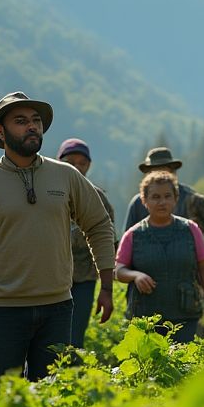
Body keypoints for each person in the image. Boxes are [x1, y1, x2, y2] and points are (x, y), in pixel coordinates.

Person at [0, 92, 117, 381]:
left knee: (50, 401)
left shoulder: (67, 175)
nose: (32, 126)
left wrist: (107, 286)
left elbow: (98, 224)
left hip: (57, 309)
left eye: (36, 121)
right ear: (1, 131)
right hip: (2, 309)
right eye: (21, 121)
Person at [115, 170, 204, 343]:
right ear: (144, 201)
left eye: (167, 196)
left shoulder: (191, 229)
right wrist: (136, 275)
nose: (162, 202)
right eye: (155, 197)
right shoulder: (133, 235)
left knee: (184, 365)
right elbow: (119, 270)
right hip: (145, 319)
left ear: (175, 199)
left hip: (185, 314)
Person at [122, 147, 204, 281]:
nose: (160, 175)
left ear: (173, 171)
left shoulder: (192, 200)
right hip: (146, 278)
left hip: (188, 275)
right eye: (155, 170)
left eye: (164, 169)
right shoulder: (137, 203)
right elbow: (126, 244)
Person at [56, 137, 118, 348]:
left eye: (82, 163)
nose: (77, 167)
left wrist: (107, 286)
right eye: (71, 162)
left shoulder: (97, 197)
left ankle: (71, 378)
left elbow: (108, 237)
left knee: (74, 337)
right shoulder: (48, 193)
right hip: (49, 278)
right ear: (59, 162)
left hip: (83, 279)